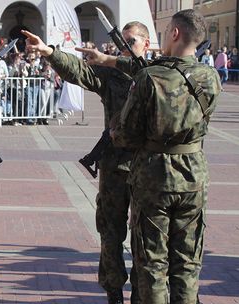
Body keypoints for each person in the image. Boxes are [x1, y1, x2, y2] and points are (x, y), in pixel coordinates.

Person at [79, 9, 221, 303]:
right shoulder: (211, 77)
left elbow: (126, 135)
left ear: (175, 33)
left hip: (154, 177)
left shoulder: (150, 77)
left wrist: (118, 128)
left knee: (152, 263)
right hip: (193, 177)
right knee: (187, 263)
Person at [23, 20, 151, 304]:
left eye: (131, 42)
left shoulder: (154, 75)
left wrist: (112, 60)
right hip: (115, 166)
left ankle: (142, 294)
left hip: (147, 169)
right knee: (110, 231)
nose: (124, 47)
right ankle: (114, 291)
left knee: (145, 237)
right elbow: (79, 71)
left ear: (147, 44)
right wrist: (49, 52)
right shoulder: (111, 75)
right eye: (122, 42)